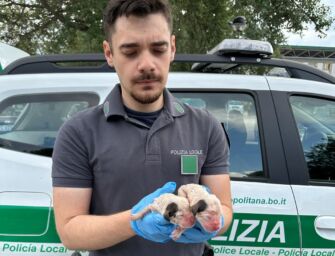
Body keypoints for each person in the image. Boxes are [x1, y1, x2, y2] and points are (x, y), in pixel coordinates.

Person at [51, 0, 233, 255]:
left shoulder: (206, 127)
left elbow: (225, 208)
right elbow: (70, 231)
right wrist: (135, 221)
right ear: (109, 53)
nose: (147, 64)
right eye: (130, 51)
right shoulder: (78, 132)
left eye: (158, 49)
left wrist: (213, 218)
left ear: (172, 48)